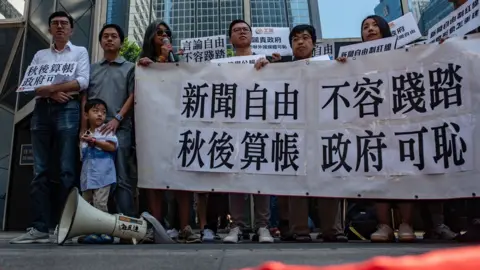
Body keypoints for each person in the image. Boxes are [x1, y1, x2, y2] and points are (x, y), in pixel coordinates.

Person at [254, 24, 347, 242]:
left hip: (323, 131)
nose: (301, 42)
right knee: (295, 179)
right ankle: (300, 229)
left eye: (305, 38)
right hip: (292, 133)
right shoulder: (279, 68)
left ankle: (332, 230)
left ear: (314, 43)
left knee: (327, 176)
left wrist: (345, 67)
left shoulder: (329, 66)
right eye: (295, 39)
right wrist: (264, 65)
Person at [10, 11, 89, 244]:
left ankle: (66, 226)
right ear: (49, 29)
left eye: (64, 23)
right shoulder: (40, 55)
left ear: (71, 29)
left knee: (66, 169)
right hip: (42, 111)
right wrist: (52, 93)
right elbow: (32, 84)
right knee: (40, 171)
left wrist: (52, 89)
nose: (60, 27)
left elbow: (82, 81)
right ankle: (39, 227)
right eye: (55, 23)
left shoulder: (80, 52)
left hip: (69, 109)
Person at [137, 20, 201, 243]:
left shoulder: (179, 63)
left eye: (167, 33)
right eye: (159, 33)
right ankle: (156, 226)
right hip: (152, 126)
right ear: (150, 37)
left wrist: (170, 60)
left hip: (178, 125)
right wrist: (160, 61)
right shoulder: (144, 64)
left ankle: (184, 226)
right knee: (155, 177)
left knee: (181, 176)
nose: (164, 36)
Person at [220, 19, 275, 244]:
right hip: (233, 128)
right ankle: (237, 227)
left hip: (259, 127)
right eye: (236, 30)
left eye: (245, 30)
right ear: (230, 38)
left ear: (252, 35)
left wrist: (270, 66)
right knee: (236, 178)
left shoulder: (265, 61)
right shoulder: (221, 66)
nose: (241, 33)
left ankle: (263, 226)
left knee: (260, 175)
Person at [81, 24, 137, 220]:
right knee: (91, 177)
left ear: (121, 42)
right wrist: (84, 129)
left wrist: (117, 119)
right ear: (100, 41)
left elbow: (133, 95)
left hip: (119, 130)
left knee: (122, 178)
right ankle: (94, 222)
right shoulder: (92, 69)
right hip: (93, 132)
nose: (109, 39)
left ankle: (126, 224)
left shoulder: (130, 67)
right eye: (105, 36)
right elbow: (85, 99)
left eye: (114, 36)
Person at [79, 99, 118, 244]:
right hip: (87, 178)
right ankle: (92, 232)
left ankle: (105, 232)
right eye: (95, 111)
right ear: (86, 115)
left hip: (103, 176)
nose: (100, 115)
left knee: (100, 204)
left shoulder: (107, 130)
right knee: (86, 206)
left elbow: (112, 147)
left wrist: (94, 141)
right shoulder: (85, 134)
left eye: (103, 112)